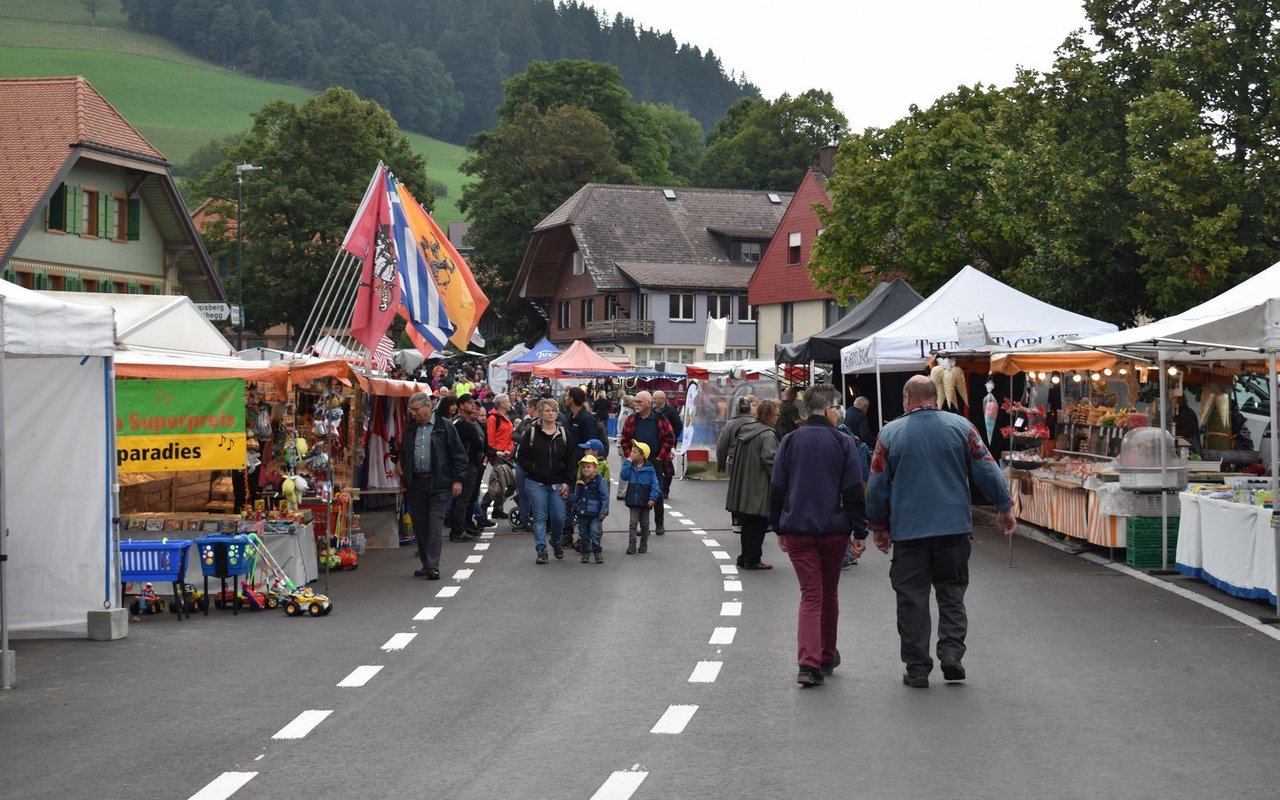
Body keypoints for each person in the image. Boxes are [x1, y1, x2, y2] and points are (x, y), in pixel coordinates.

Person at [867, 375, 1016, 688]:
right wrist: (1004, 506)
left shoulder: (890, 433)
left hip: (909, 533)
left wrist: (878, 526)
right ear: (933, 397)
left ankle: (918, 668)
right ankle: (951, 654)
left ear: (907, 398)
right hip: (953, 530)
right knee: (951, 593)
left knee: (912, 601)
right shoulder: (962, 428)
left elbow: (878, 483)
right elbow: (987, 469)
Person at [768, 384, 868, 687]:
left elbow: (777, 487)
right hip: (834, 528)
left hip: (797, 527)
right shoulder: (843, 442)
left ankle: (807, 662)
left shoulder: (789, 441)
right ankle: (825, 654)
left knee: (810, 594)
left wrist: (778, 526)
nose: (838, 413)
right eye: (837, 408)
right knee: (829, 592)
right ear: (828, 410)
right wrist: (860, 530)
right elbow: (853, 488)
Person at [396, 392, 466, 580]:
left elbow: (459, 455)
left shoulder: (445, 427)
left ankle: (433, 565)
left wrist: (457, 480)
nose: (414, 414)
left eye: (416, 410)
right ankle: (427, 564)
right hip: (417, 483)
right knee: (420, 525)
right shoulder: (411, 429)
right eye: (411, 411)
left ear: (428, 407)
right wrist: (406, 480)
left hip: (440, 482)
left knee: (435, 524)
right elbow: (405, 455)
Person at [516, 398, 578, 564]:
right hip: (536, 483)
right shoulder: (532, 432)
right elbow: (521, 456)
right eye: (547, 410)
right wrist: (533, 469)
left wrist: (567, 481)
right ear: (540, 413)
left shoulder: (564, 434)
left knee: (559, 517)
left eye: (553, 411)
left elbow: (571, 460)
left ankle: (556, 541)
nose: (550, 413)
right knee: (540, 517)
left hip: (558, 483)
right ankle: (541, 550)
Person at [725, 400, 780, 570]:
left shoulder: (746, 430)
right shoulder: (768, 435)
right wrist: (780, 481)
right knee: (759, 522)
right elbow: (770, 460)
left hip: (744, 483)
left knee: (747, 522)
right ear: (769, 415)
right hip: (760, 485)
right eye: (776, 414)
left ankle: (744, 556)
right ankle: (753, 558)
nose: (778, 417)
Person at [620, 391, 675, 535]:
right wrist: (630, 457)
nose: (635, 404)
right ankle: (644, 526)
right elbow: (624, 439)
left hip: (655, 461)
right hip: (637, 463)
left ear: (649, 404)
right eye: (635, 401)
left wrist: (660, 457)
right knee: (639, 493)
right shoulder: (632, 419)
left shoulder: (660, 419)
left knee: (657, 493)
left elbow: (670, 439)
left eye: (639, 402)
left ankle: (659, 524)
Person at [446, 393, 487, 542]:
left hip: (461, 464)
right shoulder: (464, 424)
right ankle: (458, 531)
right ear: (461, 406)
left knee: (465, 498)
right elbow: (478, 444)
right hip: (467, 465)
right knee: (464, 499)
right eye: (469, 403)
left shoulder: (454, 423)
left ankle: (465, 526)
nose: (473, 406)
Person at [621, 441, 661, 554]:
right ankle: (632, 544)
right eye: (631, 451)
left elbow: (655, 485)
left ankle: (643, 543)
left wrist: (652, 498)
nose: (631, 454)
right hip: (633, 500)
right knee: (633, 523)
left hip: (645, 501)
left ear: (642, 455)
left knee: (645, 524)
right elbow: (624, 476)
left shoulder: (650, 469)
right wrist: (627, 462)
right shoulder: (631, 466)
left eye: (634, 452)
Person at [572, 454, 610, 563]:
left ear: (595, 468)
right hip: (582, 513)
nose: (586, 469)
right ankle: (585, 553)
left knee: (595, 532)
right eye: (583, 467)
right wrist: (569, 497)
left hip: (595, 514)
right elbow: (576, 496)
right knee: (583, 534)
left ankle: (597, 552)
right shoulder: (580, 482)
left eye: (588, 467)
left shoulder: (600, 481)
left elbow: (604, 497)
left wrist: (603, 511)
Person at [483, 393, 516, 519]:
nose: (510, 403)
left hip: (507, 456)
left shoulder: (505, 417)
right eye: (507, 401)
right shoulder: (493, 419)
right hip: (499, 456)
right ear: (501, 404)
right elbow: (491, 440)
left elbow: (509, 437)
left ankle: (497, 508)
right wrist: (496, 452)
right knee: (498, 486)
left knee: (506, 485)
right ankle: (485, 505)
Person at [715, 394, 759, 473]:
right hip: (753, 464)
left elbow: (721, 446)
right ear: (749, 409)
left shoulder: (730, 425)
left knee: (735, 485)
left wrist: (721, 465)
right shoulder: (757, 424)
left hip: (734, 463)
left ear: (736, 409)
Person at [652, 390, 683, 499]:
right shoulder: (652, 411)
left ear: (662, 399)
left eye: (655, 398)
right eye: (653, 398)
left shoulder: (671, 411)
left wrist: (671, 440)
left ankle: (665, 489)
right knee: (656, 467)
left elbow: (678, 426)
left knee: (667, 468)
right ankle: (656, 488)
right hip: (655, 444)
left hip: (667, 445)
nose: (653, 400)